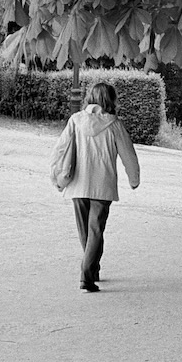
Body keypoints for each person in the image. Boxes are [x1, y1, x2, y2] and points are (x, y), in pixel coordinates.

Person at [52, 82, 140, 293]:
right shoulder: (114, 124)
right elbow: (129, 154)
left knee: (86, 231)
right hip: (103, 184)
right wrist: (134, 179)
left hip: (78, 183)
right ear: (111, 100)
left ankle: (92, 269)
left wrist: (56, 175)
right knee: (96, 230)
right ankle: (87, 276)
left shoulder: (76, 120)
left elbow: (60, 149)